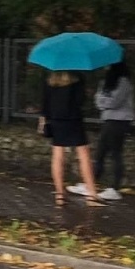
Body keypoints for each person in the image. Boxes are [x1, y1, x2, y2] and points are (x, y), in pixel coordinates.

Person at [70, 62, 134, 202]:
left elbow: (114, 102)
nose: (106, 68)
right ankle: (90, 183)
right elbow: (98, 100)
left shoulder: (124, 82)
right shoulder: (105, 82)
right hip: (108, 119)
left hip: (120, 121)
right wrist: (104, 102)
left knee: (115, 153)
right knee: (100, 153)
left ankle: (114, 188)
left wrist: (104, 102)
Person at [40, 70, 101, 205]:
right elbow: (80, 101)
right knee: (83, 155)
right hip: (74, 120)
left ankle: (60, 194)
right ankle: (92, 194)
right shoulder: (77, 78)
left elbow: (45, 103)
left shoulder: (50, 80)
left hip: (56, 120)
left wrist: (45, 119)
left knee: (58, 156)